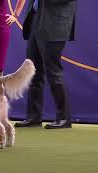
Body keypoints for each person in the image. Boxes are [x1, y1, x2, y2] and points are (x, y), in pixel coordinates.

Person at [9, 0, 77, 129]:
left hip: (55, 23)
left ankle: (64, 117)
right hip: (35, 19)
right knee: (33, 71)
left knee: (53, 72)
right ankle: (34, 117)